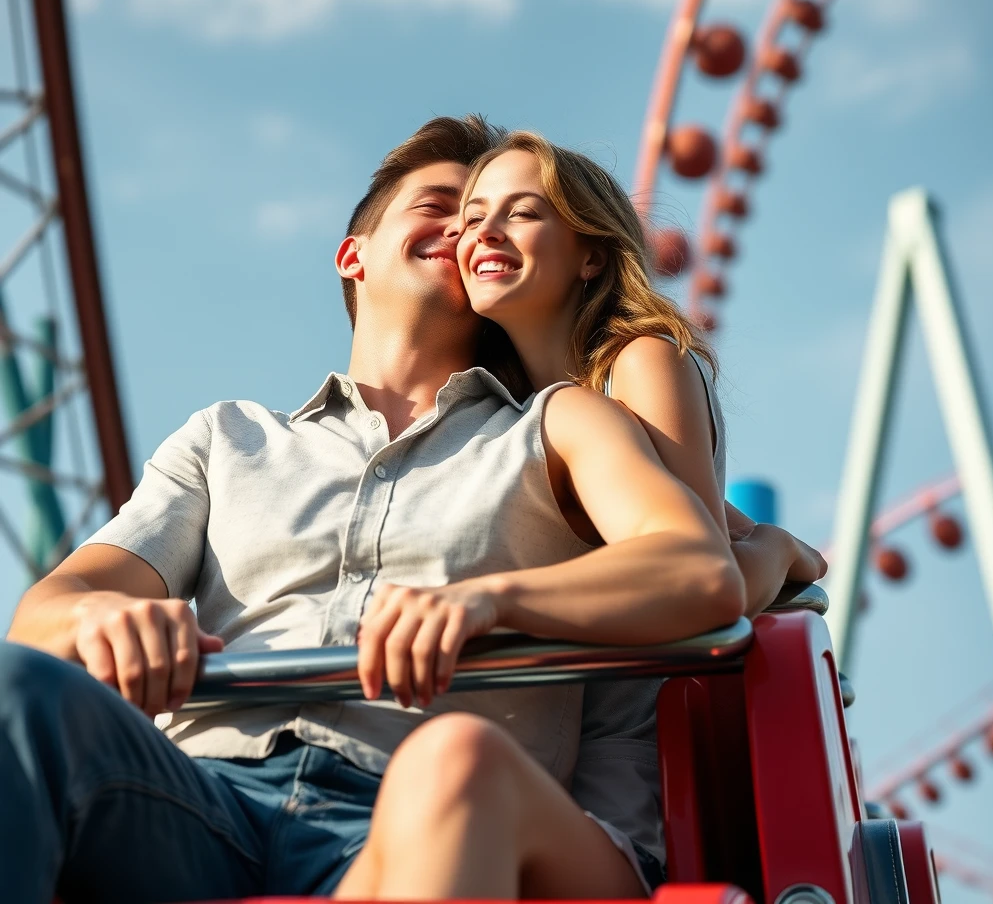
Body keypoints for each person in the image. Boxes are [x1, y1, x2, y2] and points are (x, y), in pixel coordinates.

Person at [0, 114, 782, 903]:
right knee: (15, 690)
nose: (471, 227)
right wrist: (102, 621)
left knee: (457, 760)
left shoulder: (560, 424)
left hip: (403, 816)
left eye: (506, 210)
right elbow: (47, 613)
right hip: (198, 798)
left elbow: (693, 561)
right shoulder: (225, 438)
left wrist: (488, 600)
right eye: (449, 205)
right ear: (354, 256)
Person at [455, 130, 828, 868]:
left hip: (619, 740)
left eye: (522, 213)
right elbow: (718, 518)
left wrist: (775, 548)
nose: (485, 233)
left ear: (592, 254)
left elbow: (707, 575)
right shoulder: (500, 410)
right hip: (527, 716)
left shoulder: (639, 360)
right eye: (470, 218)